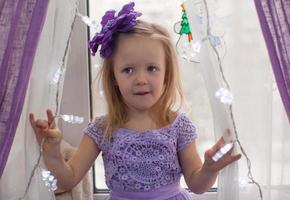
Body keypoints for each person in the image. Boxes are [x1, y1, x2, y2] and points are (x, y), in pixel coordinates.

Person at [29, 2, 241, 199]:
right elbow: (69, 179)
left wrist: (209, 169)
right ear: (114, 79)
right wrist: (54, 155)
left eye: (152, 68)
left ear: (166, 76)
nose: (141, 80)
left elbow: (197, 185)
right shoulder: (103, 128)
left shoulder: (179, 126)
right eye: (128, 70)